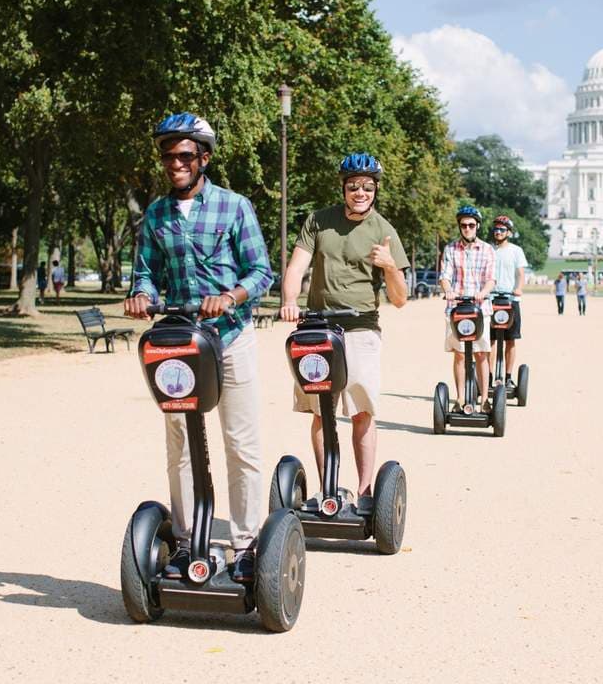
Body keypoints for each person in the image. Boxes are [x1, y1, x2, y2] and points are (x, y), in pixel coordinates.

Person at [124, 112, 273, 584]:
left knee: (241, 443)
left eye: (185, 155)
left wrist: (229, 296)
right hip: (180, 342)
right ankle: (188, 541)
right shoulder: (156, 214)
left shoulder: (234, 207)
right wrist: (141, 294)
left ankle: (246, 544)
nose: (176, 164)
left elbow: (261, 272)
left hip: (229, 337)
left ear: (204, 158)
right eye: (168, 156)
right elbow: (145, 272)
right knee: (181, 447)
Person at [279, 153, 410, 512]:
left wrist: (390, 267)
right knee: (322, 410)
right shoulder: (319, 221)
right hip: (318, 325)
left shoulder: (384, 230)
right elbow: (297, 266)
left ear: (375, 189)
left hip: (361, 326)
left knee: (361, 410)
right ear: (344, 188)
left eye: (367, 186)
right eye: (353, 186)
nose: (360, 192)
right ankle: (329, 490)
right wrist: (289, 300)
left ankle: (366, 492)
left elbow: (400, 299)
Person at [440, 205, 495, 414]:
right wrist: (448, 290)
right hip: (456, 308)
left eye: (471, 225)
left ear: (477, 226)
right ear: (459, 227)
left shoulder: (487, 250)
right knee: (460, 355)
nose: (467, 228)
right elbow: (445, 276)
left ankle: (484, 399)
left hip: (480, 308)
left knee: (481, 354)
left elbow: (491, 279)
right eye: (464, 225)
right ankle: (460, 398)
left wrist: (483, 292)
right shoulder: (450, 249)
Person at [489, 215, 527, 389]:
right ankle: (489, 375)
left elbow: (520, 273)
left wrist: (518, 288)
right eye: (496, 229)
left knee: (510, 340)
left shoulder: (516, 251)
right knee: (490, 340)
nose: (498, 232)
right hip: (491, 299)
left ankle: (508, 377)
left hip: (511, 299)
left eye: (502, 229)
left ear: (509, 232)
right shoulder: (488, 250)